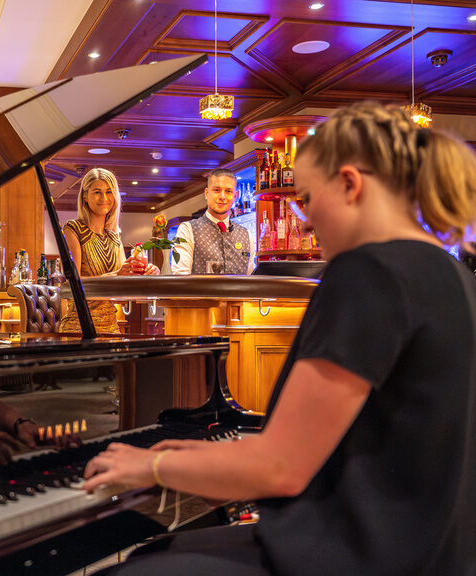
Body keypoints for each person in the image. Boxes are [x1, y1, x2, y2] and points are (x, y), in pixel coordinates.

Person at [84, 102, 476, 575]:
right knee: (160, 554)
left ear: (350, 185)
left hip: (351, 554)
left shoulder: (371, 272)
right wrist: (194, 454)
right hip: (427, 551)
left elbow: (281, 469)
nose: (303, 221)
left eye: (306, 199)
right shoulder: (453, 274)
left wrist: (150, 468)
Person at [59, 168, 159, 334]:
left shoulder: (114, 237)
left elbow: (123, 292)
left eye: (109, 192)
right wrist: (116, 276)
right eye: (97, 192)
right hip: (79, 327)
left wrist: (147, 274)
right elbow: (72, 285)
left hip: (112, 328)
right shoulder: (73, 228)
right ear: (85, 196)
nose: (104, 198)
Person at [171, 168, 255, 275]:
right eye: (217, 190)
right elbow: (181, 276)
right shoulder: (187, 230)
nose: (222, 196)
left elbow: (250, 279)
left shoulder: (246, 235)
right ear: (207, 193)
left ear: (235, 196)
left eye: (228, 191)